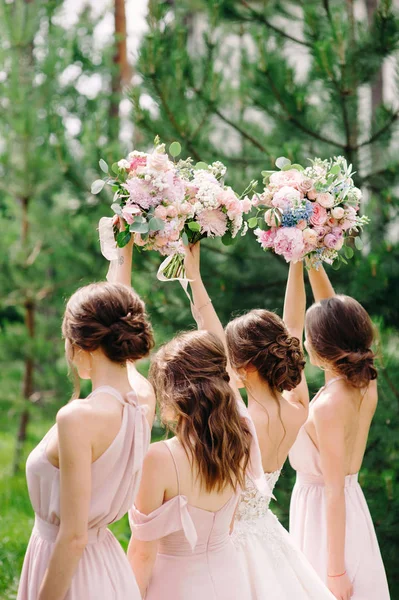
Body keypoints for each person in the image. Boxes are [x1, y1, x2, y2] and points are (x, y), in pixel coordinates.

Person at [184, 242, 336, 599]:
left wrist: (194, 275)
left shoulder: (241, 416)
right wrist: (295, 260)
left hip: (231, 539)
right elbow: (293, 327)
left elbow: (208, 325)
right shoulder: (297, 407)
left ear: (246, 366)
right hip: (267, 531)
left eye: (230, 357)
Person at [17, 272, 155, 598]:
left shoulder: (78, 418)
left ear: (84, 344)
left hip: (68, 571)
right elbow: (129, 370)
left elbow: (73, 537)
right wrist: (121, 264)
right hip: (108, 566)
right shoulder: (143, 401)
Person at [128, 328, 265, 600]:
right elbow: (227, 526)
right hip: (230, 580)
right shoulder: (241, 441)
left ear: (175, 391)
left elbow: (143, 553)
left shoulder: (159, 458)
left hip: (176, 586)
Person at [289, 265, 390, 600]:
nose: (304, 341)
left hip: (326, 519)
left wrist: (335, 571)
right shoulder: (364, 382)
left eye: (308, 336)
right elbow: (334, 315)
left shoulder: (330, 405)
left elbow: (332, 493)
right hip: (347, 505)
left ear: (321, 349)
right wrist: (309, 257)